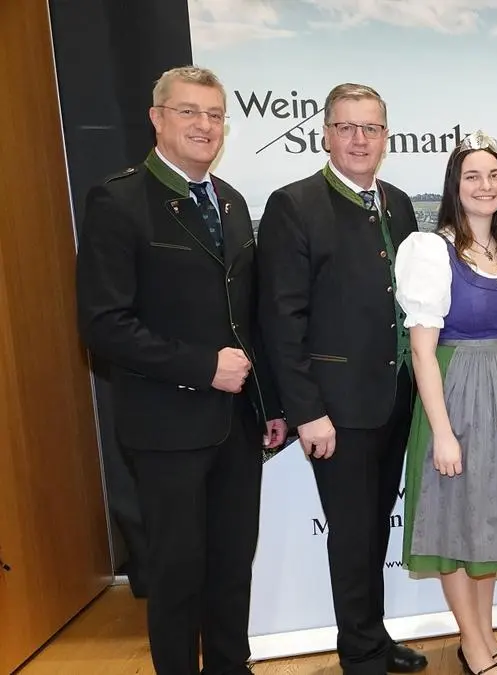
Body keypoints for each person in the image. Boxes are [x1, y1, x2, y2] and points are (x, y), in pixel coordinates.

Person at [75, 65, 287, 675]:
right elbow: (104, 325)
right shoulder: (118, 201)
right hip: (165, 429)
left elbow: (246, 318)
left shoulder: (231, 201)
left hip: (238, 427)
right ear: (157, 118)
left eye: (215, 115)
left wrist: (269, 404)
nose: (204, 125)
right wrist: (201, 367)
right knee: (176, 574)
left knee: (230, 565)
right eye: (189, 112)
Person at [256, 83, 427, 675]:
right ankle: (360, 655)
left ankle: (371, 638)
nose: (360, 139)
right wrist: (306, 410)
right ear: (325, 134)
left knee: (372, 531)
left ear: (387, 136)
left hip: (394, 400)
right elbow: (282, 319)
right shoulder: (293, 204)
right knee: (352, 538)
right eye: (347, 127)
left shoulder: (399, 203)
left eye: (371, 128)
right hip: (335, 409)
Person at [393, 130, 497, 675]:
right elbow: (421, 349)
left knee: (488, 522)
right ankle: (475, 642)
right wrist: (441, 431)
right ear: (454, 188)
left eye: (494, 175)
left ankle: (482, 638)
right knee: (459, 522)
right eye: (472, 177)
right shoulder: (432, 251)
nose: (486, 186)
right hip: (458, 392)